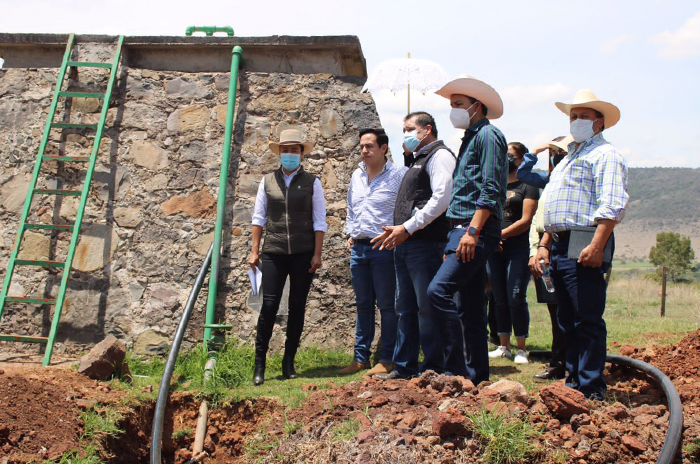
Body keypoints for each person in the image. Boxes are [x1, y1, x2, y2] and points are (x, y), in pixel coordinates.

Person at [535, 89, 628, 399]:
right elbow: (553, 206)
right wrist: (545, 244)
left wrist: (598, 244)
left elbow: (612, 203)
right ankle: (574, 381)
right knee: (565, 317)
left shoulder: (605, 155)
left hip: (585, 238)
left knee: (585, 315)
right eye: (573, 116)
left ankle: (590, 386)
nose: (576, 121)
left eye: (583, 117)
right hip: (560, 242)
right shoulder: (567, 158)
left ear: (599, 123)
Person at [426, 75, 508, 384]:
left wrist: (474, 232)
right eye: (452, 105)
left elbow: (490, 187)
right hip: (462, 228)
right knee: (471, 308)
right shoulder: (472, 137)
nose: (454, 111)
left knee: (439, 291)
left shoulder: (488, 136)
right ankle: (477, 379)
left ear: (477, 106)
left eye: (458, 105)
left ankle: (455, 369)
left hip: (468, 230)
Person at [371, 112, 456, 380]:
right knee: (404, 307)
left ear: (426, 129)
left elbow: (442, 199)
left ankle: (433, 367)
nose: (405, 134)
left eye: (409, 129)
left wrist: (408, 226)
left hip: (426, 243)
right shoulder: (416, 160)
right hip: (406, 244)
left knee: (425, 307)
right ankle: (405, 366)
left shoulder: (440, 156)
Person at [249, 128, 327, 386]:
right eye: (286, 150)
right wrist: (254, 251)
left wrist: (317, 254)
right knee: (269, 306)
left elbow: (319, 220)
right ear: (279, 153)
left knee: (297, 308)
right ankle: (259, 364)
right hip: (274, 251)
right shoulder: (267, 181)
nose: (290, 154)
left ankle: (288, 362)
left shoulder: (312, 182)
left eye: (295, 150)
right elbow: (259, 217)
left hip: (304, 253)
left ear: (302, 153)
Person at [339, 128, 407, 376]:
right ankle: (360, 358)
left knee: (387, 305)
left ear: (384, 148)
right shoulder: (357, 176)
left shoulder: (400, 175)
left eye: (369, 146)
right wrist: (350, 232)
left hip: (384, 248)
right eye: (361, 147)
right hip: (359, 248)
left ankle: (387, 358)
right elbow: (351, 207)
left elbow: (406, 208)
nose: (364, 151)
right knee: (363, 304)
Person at [521, 136, 571, 380]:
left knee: (568, 310)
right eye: (554, 152)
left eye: (560, 151)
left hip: (559, 246)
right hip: (542, 248)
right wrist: (536, 151)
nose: (556, 156)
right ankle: (559, 362)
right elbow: (523, 173)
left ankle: (566, 362)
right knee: (555, 309)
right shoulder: (548, 181)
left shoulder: (570, 181)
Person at [487, 142, 539, 364]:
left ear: (520, 159)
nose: (505, 159)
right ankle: (503, 345)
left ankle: (521, 348)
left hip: (517, 248)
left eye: (510, 155)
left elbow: (526, 220)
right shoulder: (495, 184)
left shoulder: (529, 184)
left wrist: (502, 235)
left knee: (515, 296)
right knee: (498, 297)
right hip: (494, 248)